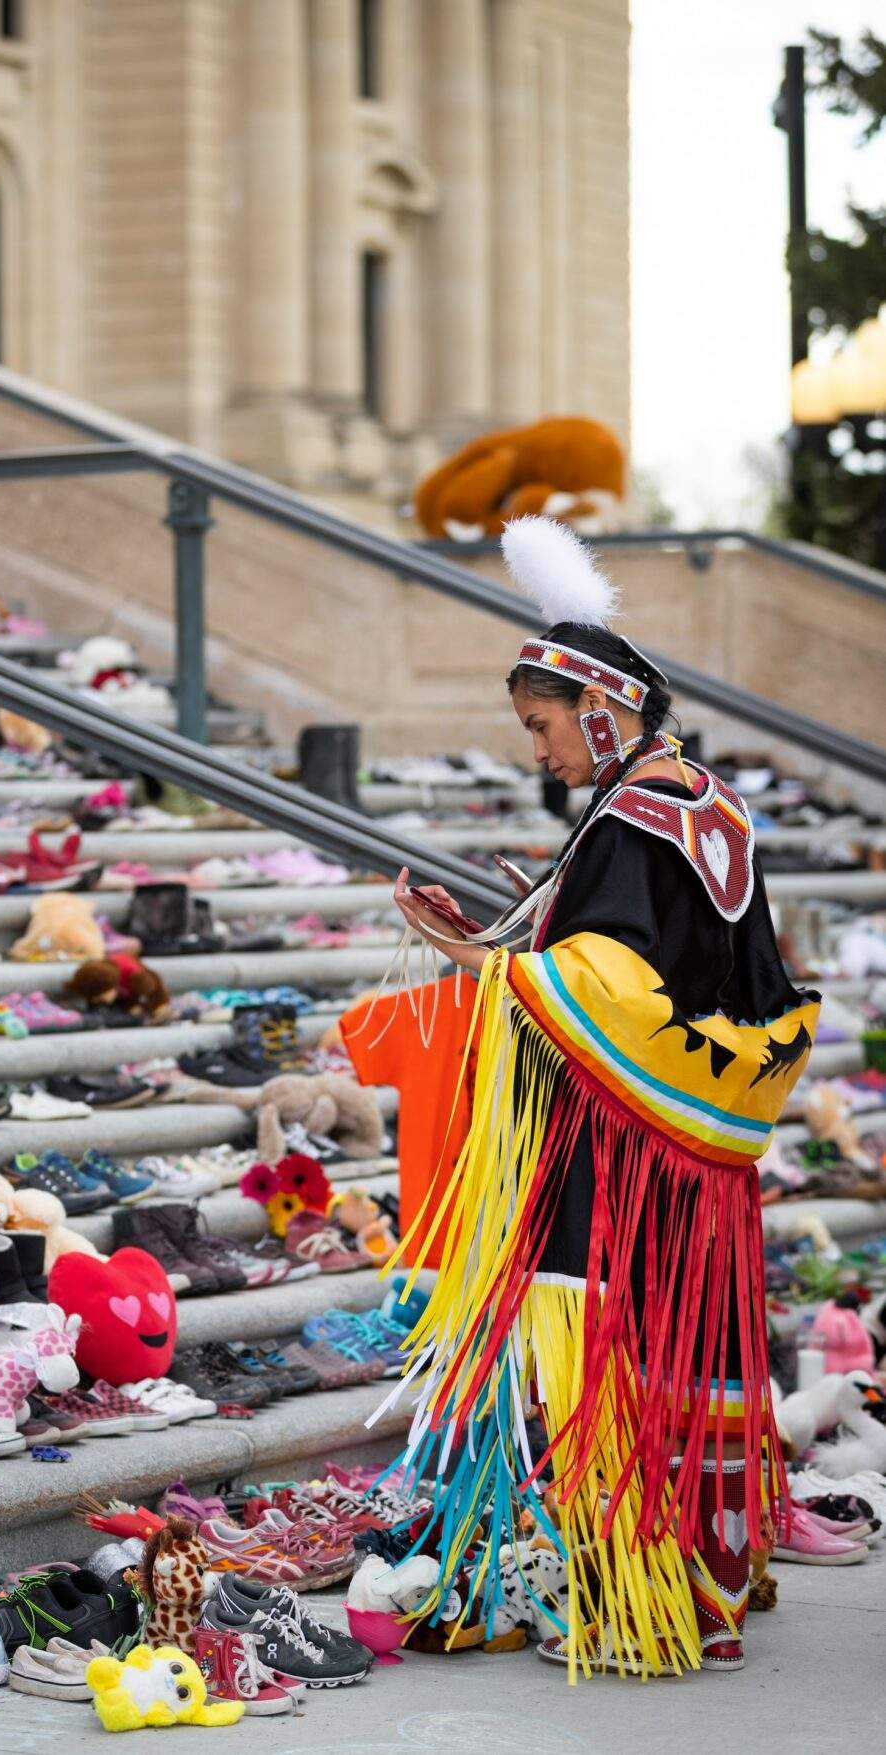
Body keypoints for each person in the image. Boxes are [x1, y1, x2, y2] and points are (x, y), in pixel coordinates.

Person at [385, 517, 819, 1681]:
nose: (538, 752)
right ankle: (711, 1581)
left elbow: (610, 990)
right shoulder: (706, 805)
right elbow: (724, 977)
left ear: (600, 712)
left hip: (620, 1156)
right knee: (695, 1347)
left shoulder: (629, 821)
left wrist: (485, 960)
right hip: (701, 1156)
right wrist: (521, 928)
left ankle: (630, 1590)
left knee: (608, 1343)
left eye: (540, 727)